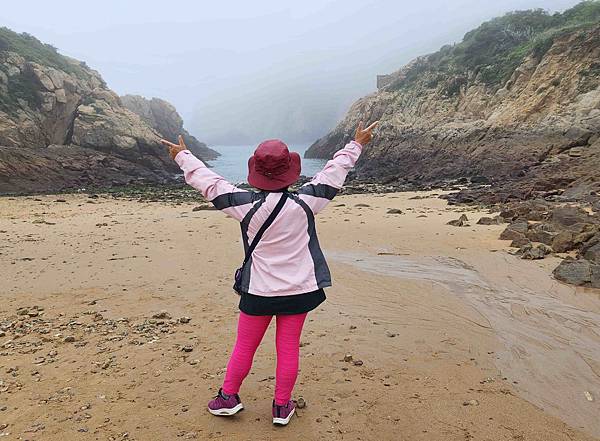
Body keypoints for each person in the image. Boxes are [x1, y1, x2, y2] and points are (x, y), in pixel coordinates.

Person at [160, 120, 378, 426]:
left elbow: (210, 182)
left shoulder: (243, 205)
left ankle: (228, 398)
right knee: (288, 348)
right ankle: (281, 406)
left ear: (256, 174)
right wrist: (357, 143)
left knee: (244, 347)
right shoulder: (307, 202)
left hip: (259, 292)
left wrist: (183, 156)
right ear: (291, 171)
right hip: (299, 291)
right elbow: (333, 172)